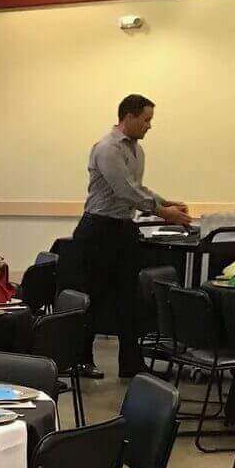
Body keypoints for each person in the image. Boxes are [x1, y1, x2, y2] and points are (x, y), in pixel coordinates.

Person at [73, 94, 192, 377]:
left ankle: (130, 363)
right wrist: (163, 213)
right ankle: (80, 359)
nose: (149, 125)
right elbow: (124, 191)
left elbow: (139, 188)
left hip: (123, 229)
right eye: (146, 120)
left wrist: (166, 203)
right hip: (98, 229)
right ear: (129, 117)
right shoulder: (108, 148)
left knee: (130, 299)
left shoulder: (137, 150)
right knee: (93, 297)